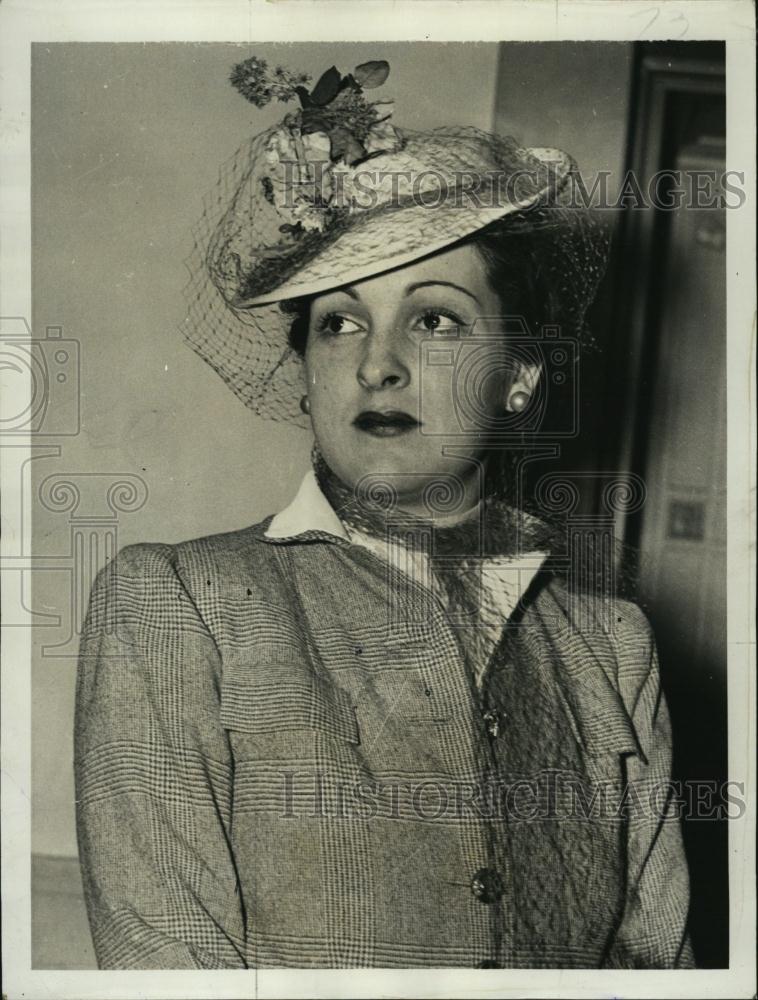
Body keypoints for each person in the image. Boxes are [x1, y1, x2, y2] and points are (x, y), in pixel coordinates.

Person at [74, 56, 694, 969]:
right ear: (305, 370)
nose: (376, 364)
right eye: (339, 322)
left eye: (435, 320)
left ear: (520, 377)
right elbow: (165, 963)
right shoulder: (179, 603)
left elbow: (660, 963)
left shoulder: (614, 646)